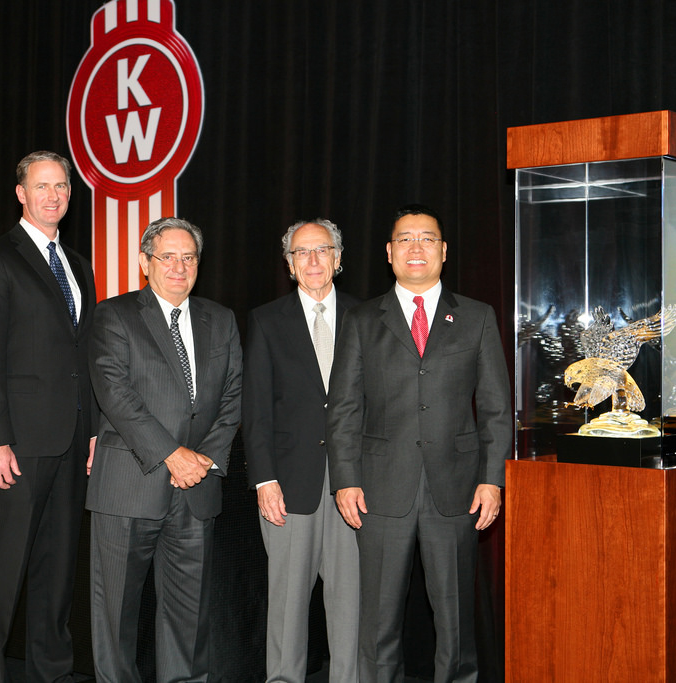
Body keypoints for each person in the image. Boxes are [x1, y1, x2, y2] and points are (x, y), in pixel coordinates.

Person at [326, 204, 511, 683]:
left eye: (427, 238)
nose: (416, 247)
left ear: (443, 252)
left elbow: (494, 409)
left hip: (457, 492)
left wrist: (493, 482)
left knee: (454, 625)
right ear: (389, 253)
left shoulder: (477, 317)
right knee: (379, 624)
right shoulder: (363, 320)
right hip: (380, 492)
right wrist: (345, 480)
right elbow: (344, 409)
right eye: (405, 239)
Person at [86, 217, 242, 683]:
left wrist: (203, 460)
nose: (179, 266)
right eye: (167, 256)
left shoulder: (222, 319)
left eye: (188, 257)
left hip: (195, 492)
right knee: (115, 618)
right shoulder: (114, 315)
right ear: (143, 263)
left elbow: (233, 398)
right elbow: (115, 393)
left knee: (189, 620)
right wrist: (173, 455)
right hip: (128, 485)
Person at [0, 151, 97, 683]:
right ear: (20, 193)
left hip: (69, 443)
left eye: (61, 186)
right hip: (17, 446)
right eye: (41, 186)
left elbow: (81, 357)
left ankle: (52, 674)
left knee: (57, 574)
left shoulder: (78, 264)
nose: (52, 195)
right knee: (3, 575)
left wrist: (91, 432)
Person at [243, 219, 361, 683]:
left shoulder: (367, 315)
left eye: (321, 250)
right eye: (301, 253)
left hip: (355, 483)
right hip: (289, 485)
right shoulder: (266, 320)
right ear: (290, 265)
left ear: (338, 257)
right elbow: (256, 410)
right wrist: (264, 480)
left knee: (351, 603)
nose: (312, 260)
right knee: (288, 604)